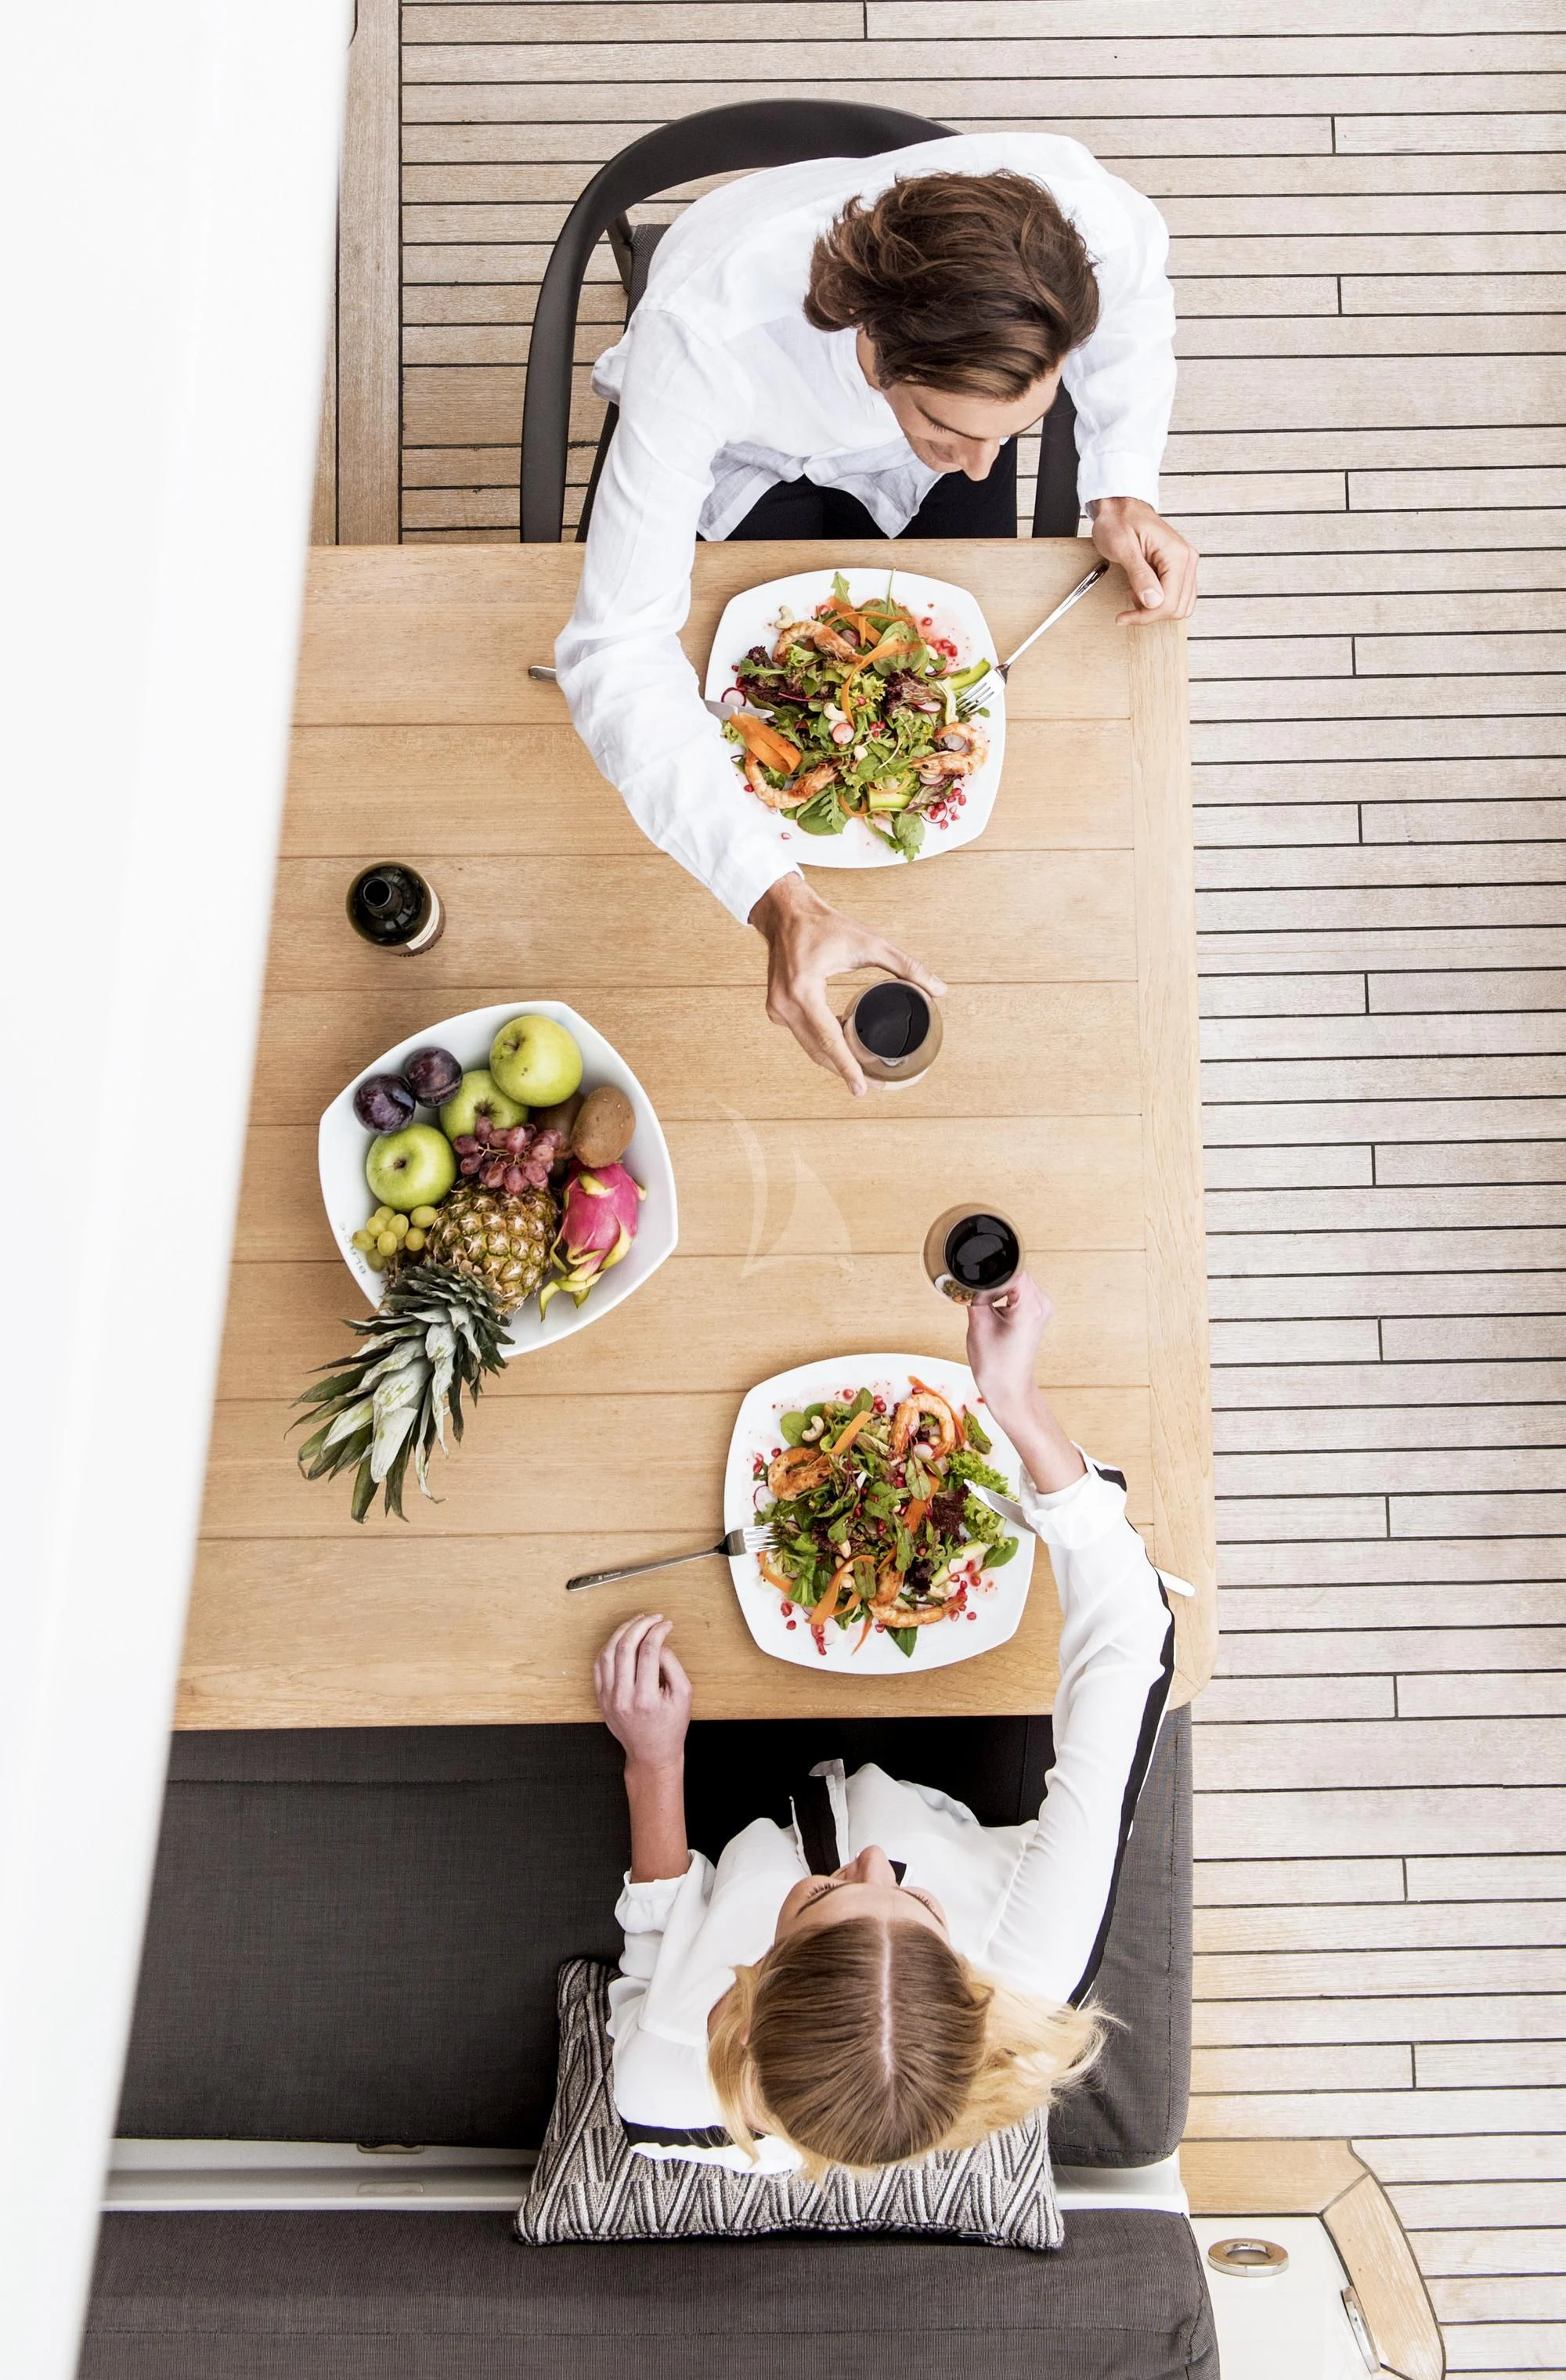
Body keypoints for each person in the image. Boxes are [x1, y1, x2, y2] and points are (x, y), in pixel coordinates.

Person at [554, 136, 1199, 1098]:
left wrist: (1120, 487)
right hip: (749, 446)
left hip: (896, 425)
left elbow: (1138, 301)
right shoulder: (702, 342)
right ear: (870, 347)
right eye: (955, 432)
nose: (986, 471)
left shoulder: (1078, 217)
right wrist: (774, 902)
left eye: (1010, 433)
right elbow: (615, 649)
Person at [592, 1273, 1185, 2176]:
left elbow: (652, 1953)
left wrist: (652, 1763)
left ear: (742, 2003)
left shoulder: (657, 2084)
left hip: (729, 1788)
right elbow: (1129, 1640)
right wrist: (1014, 1405)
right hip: (937, 1756)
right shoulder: (1032, 1957)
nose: (868, 1865)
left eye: (825, 1897)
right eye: (916, 1903)